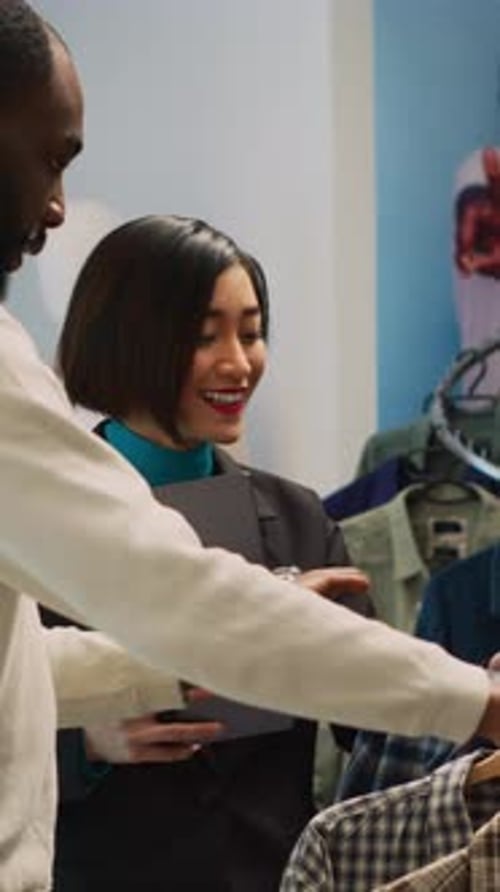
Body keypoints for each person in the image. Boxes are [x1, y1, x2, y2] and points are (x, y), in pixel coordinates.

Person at [2, 3, 500, 889]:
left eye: (254, 330)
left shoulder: (300, 517)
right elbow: (187, 601)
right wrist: (479, 698)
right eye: (50, 158)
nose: (54, 204)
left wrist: (149, 673)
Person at [49, 213, 373, 891]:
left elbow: (372, 720)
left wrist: (468, 692)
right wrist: (85, 745)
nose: (238, 361)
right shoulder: (37, 523)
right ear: (128, 342)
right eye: (204, 337)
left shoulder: (300, 520)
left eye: (252, 333)